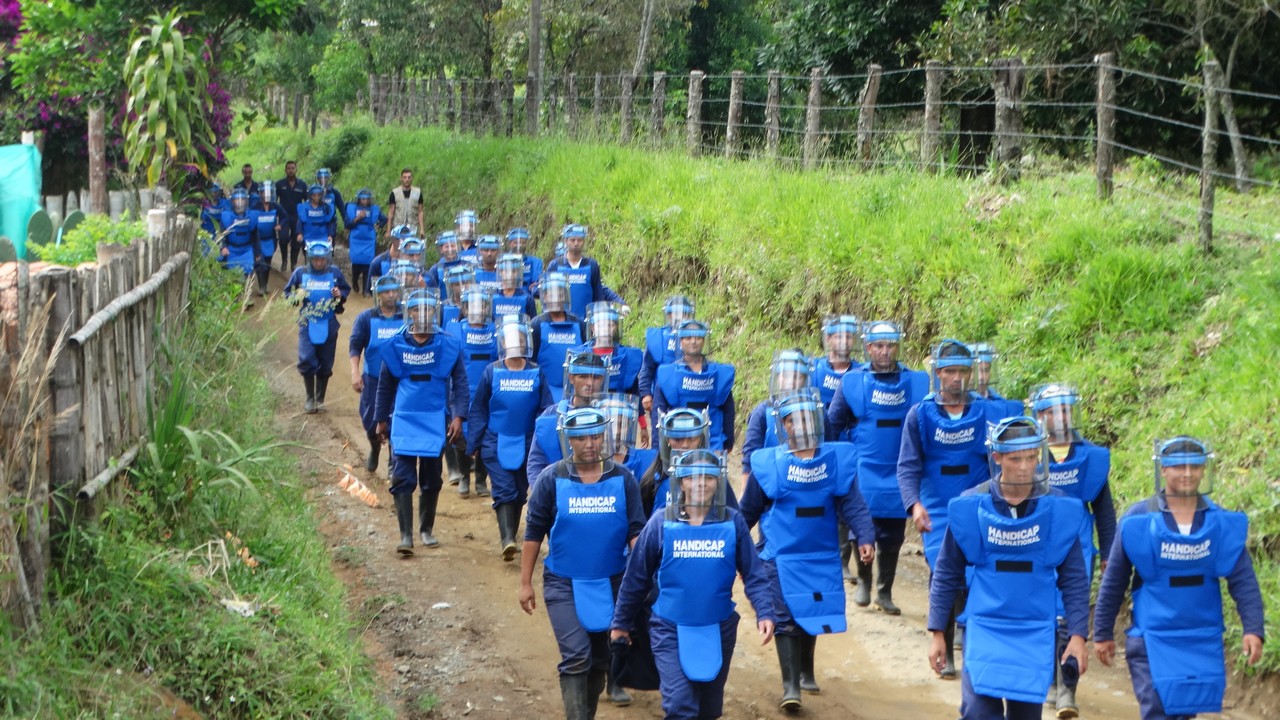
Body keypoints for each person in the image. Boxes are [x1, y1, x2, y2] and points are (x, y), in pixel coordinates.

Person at [927, 416, 1091, 720]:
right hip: (986, 626)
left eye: (1032, 457)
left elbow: (1075, 580)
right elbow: (947, 571)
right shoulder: (972, 506)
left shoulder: (1058, 509)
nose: (1025, 466)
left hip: (1033, 630)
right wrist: (938, 631)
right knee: (978, 713)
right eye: (1016, 459)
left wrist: (1078, 636)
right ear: (998, 457)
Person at [1093, 436, 1265, 720]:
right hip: (1151, 638)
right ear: (1163, 470)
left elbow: (1242, 579)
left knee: (1183, 712)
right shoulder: (1139, 519)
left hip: (1199, 637)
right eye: (1179, 466)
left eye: (1195, 467)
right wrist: (1102, 633)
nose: (1187, 473)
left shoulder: (1218, 522)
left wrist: (1253, 628)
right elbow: (1115, 580)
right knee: (1158, 710)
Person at [611, 450, 777, 720]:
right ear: (681, 482)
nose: (701, 483)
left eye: (709, 478)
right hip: (669, 629)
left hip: (718, 629)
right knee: (680, 705)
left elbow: (754, 573)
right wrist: (620, 624)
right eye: (693, 478)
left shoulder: (732, 522)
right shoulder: (661, 522)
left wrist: (765, 612)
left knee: (708, 711)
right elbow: (636, 579)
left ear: (718, 482)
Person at [740, 388, 876, 711]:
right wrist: (734, 548)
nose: (798, 425)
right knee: (784, 613)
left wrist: (865, 536)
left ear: (816, 420)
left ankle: (805, 671)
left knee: (812, 609)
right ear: (782, 425)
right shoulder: (769, 465)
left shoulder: (835, 461)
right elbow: (747, 512)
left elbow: (852, 504)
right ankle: (790, 685)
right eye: (791, 420)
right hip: (779, 555)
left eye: (804, 418)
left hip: (820, 553)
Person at [519, 407, 645, 720]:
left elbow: (635, 531)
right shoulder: (552, 479)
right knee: (576, 656)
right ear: (569, 441)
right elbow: (534, 533)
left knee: (601, 659)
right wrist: (524, 584)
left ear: (605, 437)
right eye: (581, 437)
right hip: (563, 583)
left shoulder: (623, 478)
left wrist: (644, 577)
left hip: (612, 582)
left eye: (595, 436)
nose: (589, 443)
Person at [897, 338, 1004, 679]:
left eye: (963, 371)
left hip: (977, 507)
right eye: (950, 372)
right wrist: (914, 505)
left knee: (976, 575)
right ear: (938, 375)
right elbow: (908, 466)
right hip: (937, 510)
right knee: (944, 574)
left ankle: (973, 645)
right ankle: (944, 646)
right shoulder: (920, 415)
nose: (957, 378)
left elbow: (998, 465)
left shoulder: (987, 414)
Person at [826, 320, 930, 615]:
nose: (886, 352)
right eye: (879, 346)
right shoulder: (853, 382)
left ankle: (884, 591)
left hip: (898, 468)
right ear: (869, 348)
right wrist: (841, 459)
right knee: (863, 527)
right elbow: (834, 423)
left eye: (891, 346)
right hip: (865, 467)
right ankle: (863, 582)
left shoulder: (915, 382)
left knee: (894, 534)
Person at [1029, 383, 1117, 717]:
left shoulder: (1089, 458)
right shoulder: (1028, 454)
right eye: (1053, 411)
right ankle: (1049, 680)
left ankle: (1067, 688)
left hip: (1078, 550)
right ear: (1040, 416)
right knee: (1045, 616)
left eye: (1065, 410)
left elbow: (1105, 512)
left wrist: (1109, 552)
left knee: (1070, 616)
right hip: (1035, 546)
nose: (1060, 417)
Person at [374, 291, 470, 553]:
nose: (423, 314)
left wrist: (459, 416)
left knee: (431, 477)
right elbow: (385, 386)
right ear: (411, 313)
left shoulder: (447, 345)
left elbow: (460, 384)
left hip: (435, 419)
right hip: (404, 420)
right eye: (418, 310)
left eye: (428, 309)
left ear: (434, 312)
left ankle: (426, 530)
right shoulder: (396, 345)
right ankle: (406, 536)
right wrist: (381, 419)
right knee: (402, 476)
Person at [466, 316, 554, 560]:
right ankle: (507, 538)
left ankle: (511, 537)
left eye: (521, 337)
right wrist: (473, 442)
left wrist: (543, 441)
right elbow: (479, 409)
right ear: (502, 341)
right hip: (495, 440)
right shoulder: (491, 372)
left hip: (527, 440)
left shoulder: (537, 373)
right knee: (504, 489)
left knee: (518, 491)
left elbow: (546, 409)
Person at [284, 241, 350, 414]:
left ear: (327, 258)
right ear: (309, 258)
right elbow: (287, 294)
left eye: (322, 260)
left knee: (326, 361)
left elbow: (345, 289)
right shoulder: (301, 273)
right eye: (315, 260)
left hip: (328, 322)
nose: (319, 263)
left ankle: (320, 398)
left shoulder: (334, 272)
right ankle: (310, 397)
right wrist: (297, 296)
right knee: (306, 358)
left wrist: (339, 294)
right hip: (307, 322)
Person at [445, 287, 499, 498]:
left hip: (488, 392)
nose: (477, 310)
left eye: (481, 305)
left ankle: (481, 480)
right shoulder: (455, 329)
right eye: (472, 305)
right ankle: (464, 477)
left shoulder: (495, 330)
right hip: (462, 392)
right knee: (460, 437)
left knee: (485, 434)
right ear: (464, 308)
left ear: (487, 307)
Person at [526, 350, 610, 485]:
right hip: (559, 491)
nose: (589, 382)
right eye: (583, 376)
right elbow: (536, 462)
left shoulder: (610, 414)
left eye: (596, 377)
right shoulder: (552, 415)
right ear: (571, 378)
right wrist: (543, 495)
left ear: (603, 379)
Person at [349, 275, 404, 473]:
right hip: (372, 378)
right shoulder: (366, 318)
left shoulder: (405, 316)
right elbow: (355, 345)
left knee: (395, 418)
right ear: (378, 295)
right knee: (371, 419)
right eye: (386, 292)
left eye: (394, 291)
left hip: (399, 380)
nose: (391, 295)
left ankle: (393, 461)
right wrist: (355, 372)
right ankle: (374, 447)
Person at [654, 320, 736, 453]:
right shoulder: (668, 373)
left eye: (698, 338)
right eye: (688, 338)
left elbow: (728, 409)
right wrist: (657, 444)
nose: (693, 341)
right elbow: (659, 411)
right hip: (678, 439)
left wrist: (728, 440)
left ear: (704, 341)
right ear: (680, 341)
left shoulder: (718, 373)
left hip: (712, 441)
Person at [741, 348, 812, 476]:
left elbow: (826, 451)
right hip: (770, 481)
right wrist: (745, 494)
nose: (790, 382)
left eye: (797, 376)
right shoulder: (762, 412)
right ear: (777, 377)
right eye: (785, 375)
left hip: (807, 479)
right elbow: (750, 459)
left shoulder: (816, 412)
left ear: (805, 379)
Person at [639, 295, 695, 443]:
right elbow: (647, 369)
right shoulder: (658, 338)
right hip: (661, 397)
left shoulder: (694, 338)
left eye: (684, 314)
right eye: (676, 314)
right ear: (669, 315)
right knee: (660, 436)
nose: (680, 318)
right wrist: (645, 394)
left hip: (687, 393)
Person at [544, 224, 627, 319]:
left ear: (584, 242)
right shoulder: (555, 265)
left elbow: (598, 295)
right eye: (572, 240)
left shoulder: (592, 265)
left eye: (579, 240)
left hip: (586, 322)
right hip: (562, 323)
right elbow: (547, 296)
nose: (576, 243)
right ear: (565, 241)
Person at [530, 272, 587, 402]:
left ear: (565, 295)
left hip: (575, 392)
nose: (556, 297)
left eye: (560, 293)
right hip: (546, 392)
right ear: (544, 296)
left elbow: (586, 356)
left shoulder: (579, 324)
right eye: (551, 293)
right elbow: (531, 361)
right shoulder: (537, 324)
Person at [582, 302, 642, 395]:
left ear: (616, 327)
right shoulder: (581, 355)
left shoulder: (626, 356)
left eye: (610, 325)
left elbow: (634, 393)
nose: (605, 329)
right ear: (593, 328)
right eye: (601, 325)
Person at [810, 314, 859, 408]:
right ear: (828, 339)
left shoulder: (860, 372)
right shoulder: (814, 368)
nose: (844, 342)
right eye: (839, 337)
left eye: (848, 337)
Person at [345, 188, 385, 296]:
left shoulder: (374, 209)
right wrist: (357, 218)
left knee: (368, 264)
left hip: (368, 239)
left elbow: (384, 219)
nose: (365, 201)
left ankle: (366, 290)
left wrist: (379, 225)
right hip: (356, 238)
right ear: (358, 199)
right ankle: (354, 281)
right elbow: (347, 224)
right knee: (356, 263)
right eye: (362, 199)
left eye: (367, 199)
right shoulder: (351, 208)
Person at [972, 343, 1025, 418]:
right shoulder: (959, 407)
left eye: (985, 370)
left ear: (990, 372)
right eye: (974, 371)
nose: (980, 377)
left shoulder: (1004, 405)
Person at [218, 187, 261, 280]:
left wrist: (257, 253)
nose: (240, 202)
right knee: (232, 276)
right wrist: (223, 247)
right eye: (237, 200)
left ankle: (244, 292)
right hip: (232, 250)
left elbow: (255, 236)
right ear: (232, 202)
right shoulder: (227, 216)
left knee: (247, 274)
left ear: (246, 201)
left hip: (246, 250)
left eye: (242, 200)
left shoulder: (251, 216)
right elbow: (222, 235)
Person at [275, 160, 309, 272]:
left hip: (297, 217)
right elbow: (274, 201)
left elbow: (307, 202)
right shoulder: (279, 184)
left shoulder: (302, 185)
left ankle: (293, 263)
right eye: (288, 168)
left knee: (296, 241)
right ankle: (284, 260)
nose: (291, 170)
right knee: (283, 237)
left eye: (293, 168)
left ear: (296, 170)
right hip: (284, 216)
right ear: (285, 170)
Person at [249, 180, 281, 296]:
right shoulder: (255, 206)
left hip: (271, 240)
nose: (265, 195)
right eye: (263, 192)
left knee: (267, 263)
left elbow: (285, 216)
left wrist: (280, 225)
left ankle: (265, 285)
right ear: (260, 194)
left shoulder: (275, 206)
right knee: (260, 262)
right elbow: (250, 219)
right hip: (258, 240)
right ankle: (261, 287)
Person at [493, 253, 538, 319]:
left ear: (518, 273)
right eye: (506, 271)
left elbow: (532, 325)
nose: (510, 275)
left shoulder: (527, 299)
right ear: (500, 272)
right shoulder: (492, 297)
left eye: (513, 271)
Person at [430, 230, 470, 297]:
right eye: (447, 247)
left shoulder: (467, 265)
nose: (450, 249)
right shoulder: (435, 269)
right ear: (441, 249)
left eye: (452, 246)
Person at [386, 168, 424, 234]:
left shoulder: (418, 192)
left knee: (411, 244)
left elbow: (420, 212)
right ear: (401, 178)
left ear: (412, 178)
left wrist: (422, 229)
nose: (407, 180)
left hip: (413, 227)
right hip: (398, 227)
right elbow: (391, 212)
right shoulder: (394, 193)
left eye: (409, 177)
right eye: (405, 177)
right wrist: (388, 230)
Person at [506, 227, 542, 293]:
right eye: (516, 242)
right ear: (510, 243)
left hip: (527, 298)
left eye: (523, 243)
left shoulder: (536, 262)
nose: (520, 245)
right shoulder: (503, 261)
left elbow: (535, 283)